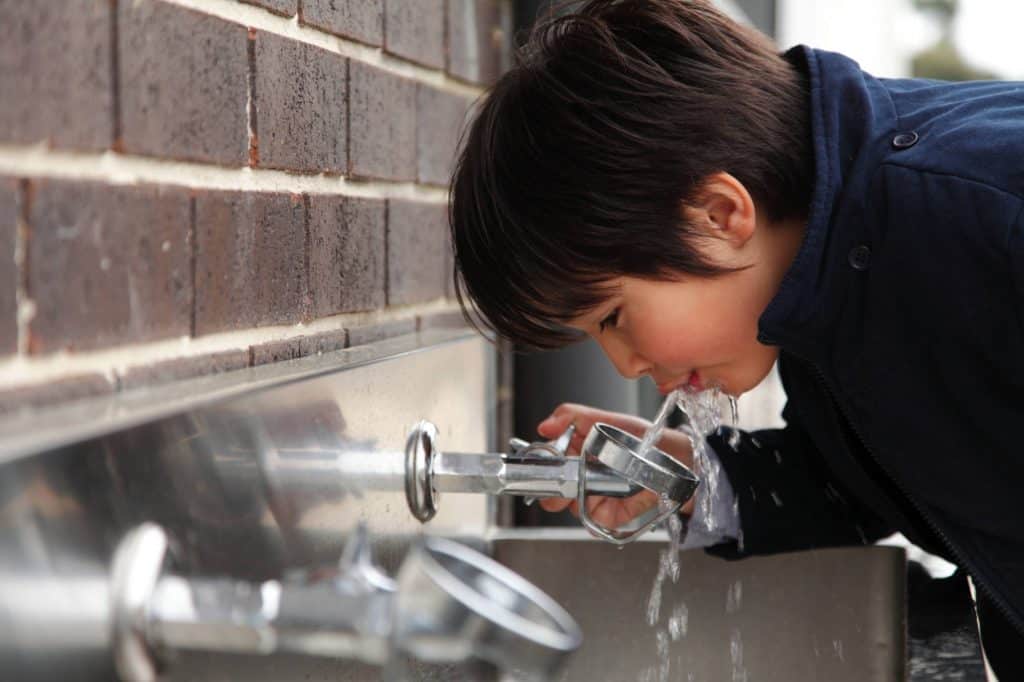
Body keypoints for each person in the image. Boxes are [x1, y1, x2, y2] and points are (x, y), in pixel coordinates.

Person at [447, 0, 1024, 676]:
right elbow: (870, 481)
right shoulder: (828, 278)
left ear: (720, 214)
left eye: (612, 318)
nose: (627, 362)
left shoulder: (979, 210)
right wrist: (693, 480)